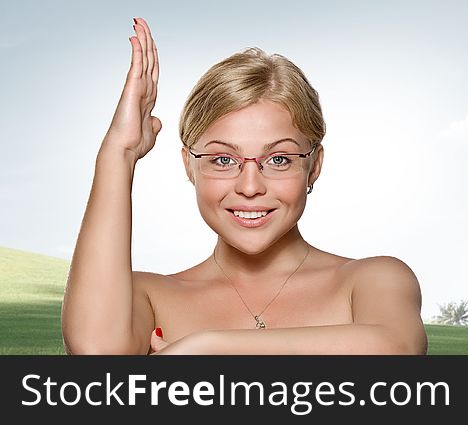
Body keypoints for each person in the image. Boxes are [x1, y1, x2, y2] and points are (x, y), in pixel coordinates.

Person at [60, 17, 428, 355]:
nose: (250, 187)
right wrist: (118, 154)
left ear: (313, 166)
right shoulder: (147, 296)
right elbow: (95, 356)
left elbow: (396, 349)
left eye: (279, 159)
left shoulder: (371, 280)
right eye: (223, 160)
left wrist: (208, 347)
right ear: (189, 165)